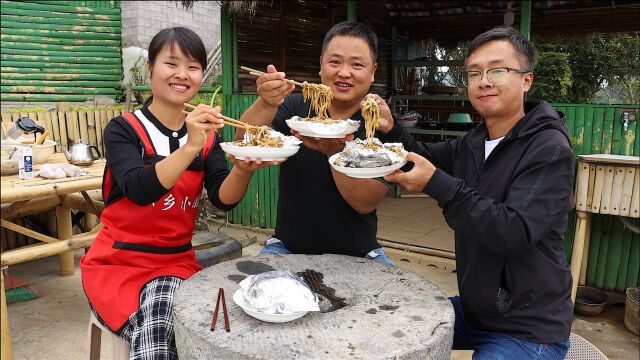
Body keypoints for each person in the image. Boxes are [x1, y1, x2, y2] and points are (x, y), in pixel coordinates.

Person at [80, 27, 277, 359]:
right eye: (171, 63)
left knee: (202, 321)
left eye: (193, 66)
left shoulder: (208, 136)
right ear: (150, 69)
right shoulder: (124, 129)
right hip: (119, 263)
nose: (182, 75)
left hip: (174, 261)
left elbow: (221, 198)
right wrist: (189, 146)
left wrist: (242, 169)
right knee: (161, 323)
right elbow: (140, 190)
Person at [380, 27, 574, 358]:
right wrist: (391, 128)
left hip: (526, 327)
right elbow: (419, 155)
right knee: (386, 322)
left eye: (497, 70)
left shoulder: (550, 149)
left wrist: (438, 186)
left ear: (526, 80)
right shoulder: (474, 141)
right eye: (474, 73)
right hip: (477, 311)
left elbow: (513, 231)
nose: (483, 81)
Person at [237, 21, 394, 265]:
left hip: (361, 254)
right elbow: (243, 140)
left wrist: (335, 151)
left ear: (372, 71)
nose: (344, 72)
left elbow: (365, 203)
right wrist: (266, 103)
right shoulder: (295, 109)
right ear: (321, 65)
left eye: (357, 65)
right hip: (287, 248)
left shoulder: (378, 122)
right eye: (335, 62)